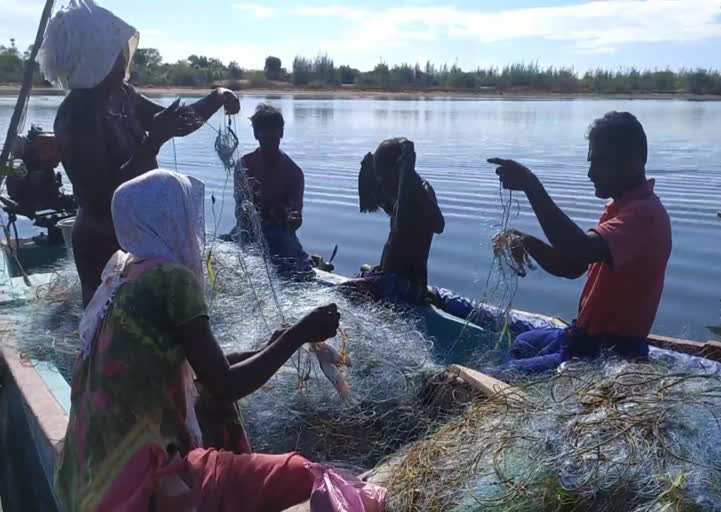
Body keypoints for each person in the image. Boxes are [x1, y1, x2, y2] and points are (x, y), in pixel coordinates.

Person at [54, 169, 341, 512]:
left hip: (85, 480)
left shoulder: (123, 272)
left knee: (207, 403)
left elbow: (199, 369)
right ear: (173, 217)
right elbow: (224, 384)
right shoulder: (171, 280)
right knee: (303, 475)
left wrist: (271, 345)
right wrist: (299, 334)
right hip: (136, 487)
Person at [39, 0, 241, 306]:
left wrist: (218, 96)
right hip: (101, 242)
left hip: (141, 236)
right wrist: (151, 144)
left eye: (121, 55)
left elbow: (179, 123)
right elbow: (103, 197)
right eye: (113, 57)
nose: (123, 63)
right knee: (111, 329)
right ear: (91, 60)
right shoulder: (75, 115)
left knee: (151, 328)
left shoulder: (124, 95)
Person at [485, 111, 671, 376]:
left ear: (630, 160)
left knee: (492, 380)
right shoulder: (621, 207)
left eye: (598, 162)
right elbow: (573, 266)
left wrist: (530, 184)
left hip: (608, 354)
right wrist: (527, 242)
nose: (590, 173)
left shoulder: (643, 217)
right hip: (582, 337)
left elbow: (577, 247)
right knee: (525, 343)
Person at [339, 138, 445, 305]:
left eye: (382, 176)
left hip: (405, 286)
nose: (381, 182)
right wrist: (367, 171)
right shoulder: (401, 192)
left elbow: (437, 225)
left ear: (397, 169)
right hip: (390, 277)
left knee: (342, 293)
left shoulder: (418, 191)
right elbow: (380, 204)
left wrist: (407, 170)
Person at [231, 104, 322, 278]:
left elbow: (296, 218)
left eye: (274, 133)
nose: (269, 138)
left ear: (281, 133)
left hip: (280, 236)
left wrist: (291, 218)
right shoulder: (244, 166)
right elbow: (240, 210)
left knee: (293, 262)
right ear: (256, 134)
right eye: (264, 133)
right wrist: (259, 217)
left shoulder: (293, 172)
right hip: (247, 232)